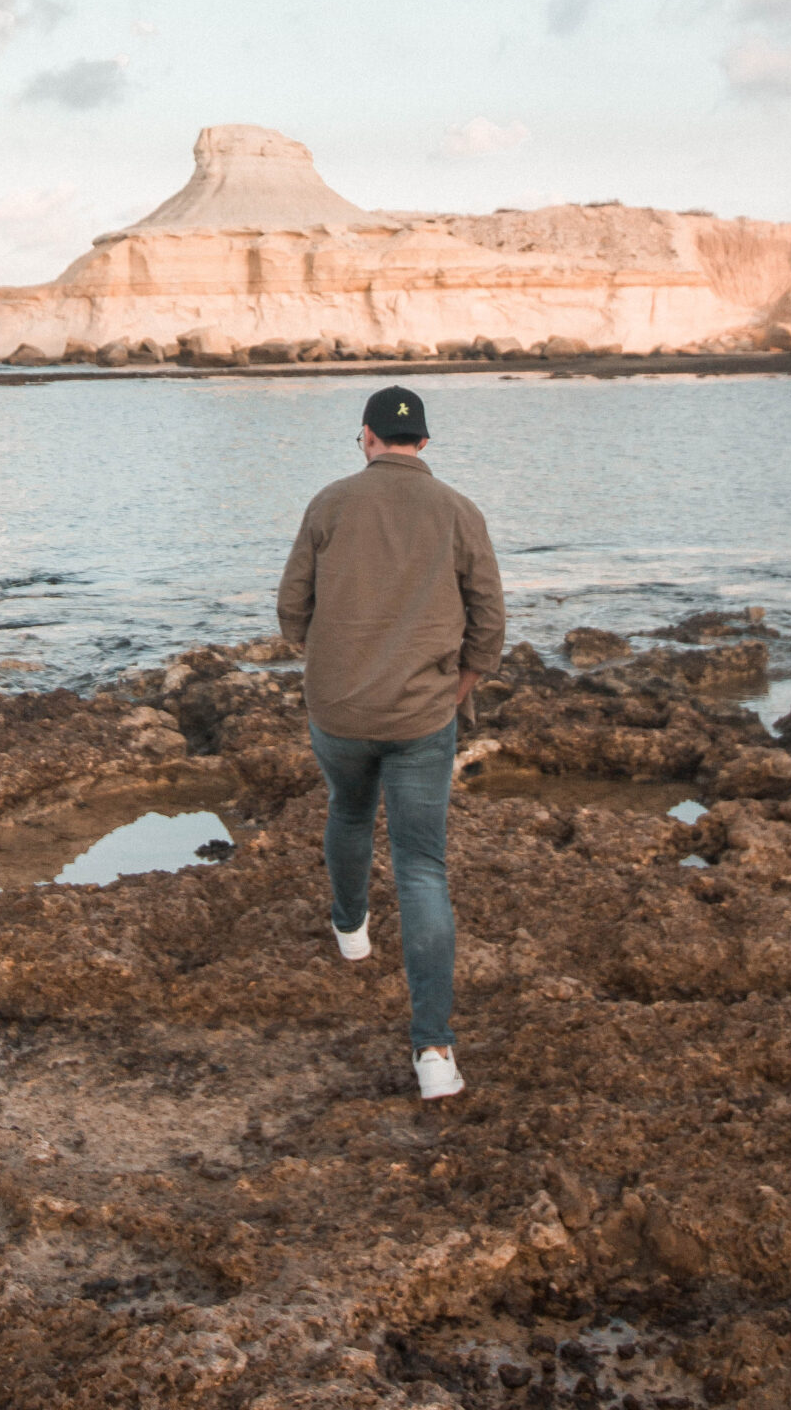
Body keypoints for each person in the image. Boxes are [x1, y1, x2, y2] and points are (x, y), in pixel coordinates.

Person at [277, 384, 506, 1099]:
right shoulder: (458, 511)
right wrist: (458, 687)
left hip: (338, 712)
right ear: (424, 444)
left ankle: (350, 930)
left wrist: (330, 664)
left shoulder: (330, 503)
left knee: (347, 810)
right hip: (421, 717)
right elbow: (489, 621)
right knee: (421, 869)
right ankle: (434, 1053)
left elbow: (291, 609)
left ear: (367, 438)